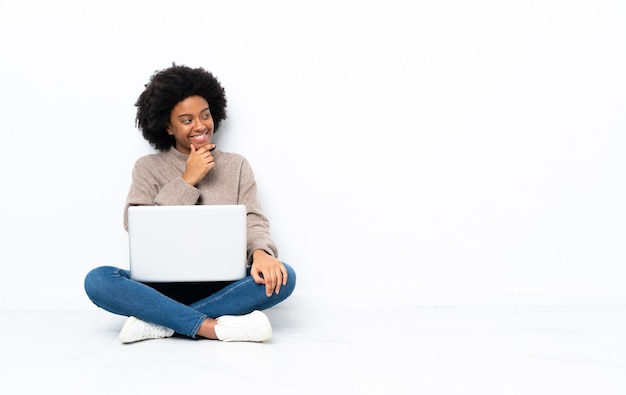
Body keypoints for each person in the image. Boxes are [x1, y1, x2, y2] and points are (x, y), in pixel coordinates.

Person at [84, 64, 296, 344]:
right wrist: (188, 179)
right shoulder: (148, 167)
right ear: (168, 127)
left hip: (224, 284)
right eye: (186, 120)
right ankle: (212, 327)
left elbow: (252, 219)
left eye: (205, 116)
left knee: (285, 276)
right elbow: (136, 224)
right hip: (160, 287)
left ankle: (161, 322)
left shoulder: (236, 165)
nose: (200, 126)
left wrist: (261, 253)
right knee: (98, 279)